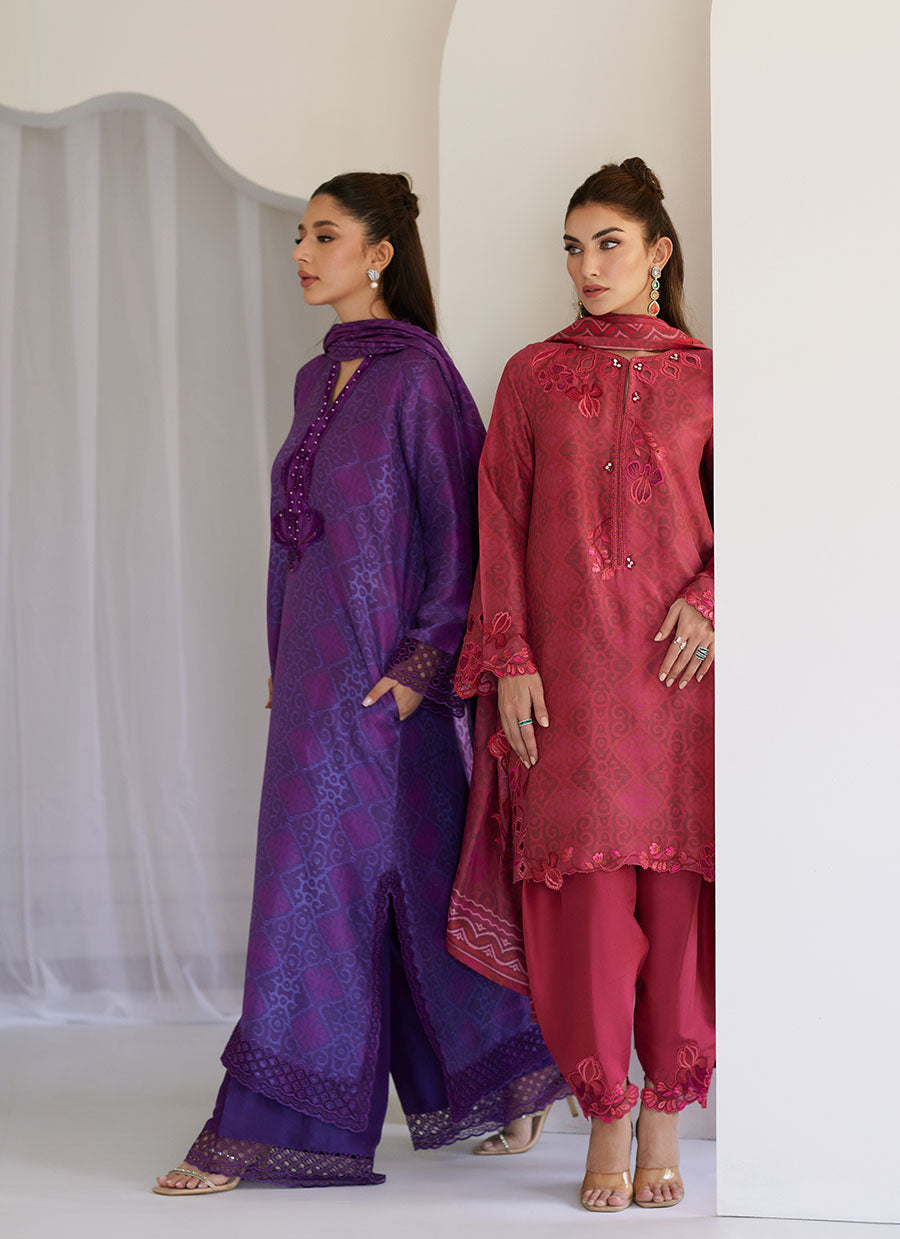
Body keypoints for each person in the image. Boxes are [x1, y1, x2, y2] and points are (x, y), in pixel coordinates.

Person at [154, 171, 565, 1196]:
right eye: (300, 235)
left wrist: (422, 666)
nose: (301, 253)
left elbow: (461, 536)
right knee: (405, 883)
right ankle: (509, 1078)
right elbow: (294, 545)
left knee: (314, 886)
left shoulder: (418, 377)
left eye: (323, 236)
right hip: (312, 683)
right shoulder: (315, 379)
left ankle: (266, 1121)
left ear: (378, 253)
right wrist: (282, 655)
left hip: (388, 691)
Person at [447, 158, 714, 1212]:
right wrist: (509, 656)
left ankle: (667, 1112)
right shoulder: (532, 376)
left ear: (658, 253)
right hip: (566, 679)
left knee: (681, 899)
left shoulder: (709, 376)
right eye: (573, 247)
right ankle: (606, 1109)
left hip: (679, 676)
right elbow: (500, 521)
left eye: (609, 244)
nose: (587, 266)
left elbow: (767, 504)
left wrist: (714, 598)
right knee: (587, 904)